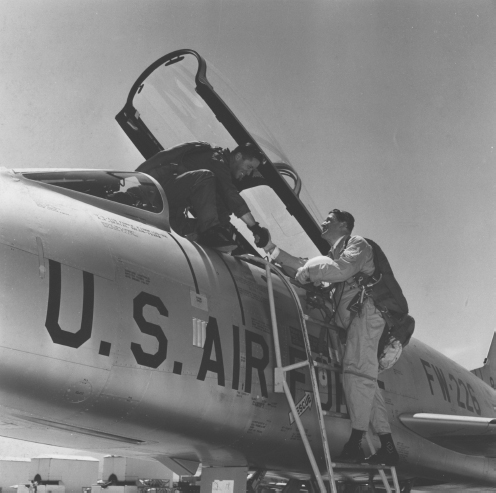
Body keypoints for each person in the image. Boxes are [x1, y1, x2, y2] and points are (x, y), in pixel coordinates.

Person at [263, 209, 399, 466]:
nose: (323, 223)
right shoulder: (332, 256)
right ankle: (388, 447)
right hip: (354, 323)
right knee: (366, 383)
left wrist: (309, 271)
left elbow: (338, 271)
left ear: (344, 225)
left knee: (357, 374)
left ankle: (355, 443)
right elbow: (307, 266)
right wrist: (271, 248)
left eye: (329, 220)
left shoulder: (357, 245)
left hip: (367, 315)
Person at [138, 142, 270, 251]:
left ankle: (205, 238)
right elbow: (231, 195)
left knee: (221, 221)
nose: (248, 173)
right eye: (249, 167)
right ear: (238, 156)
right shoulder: (215, 159)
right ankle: (209, 234)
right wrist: (255, 228)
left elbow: (222, 204)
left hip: (169, 208)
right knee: (205, 177)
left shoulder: (217, 175)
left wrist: (225, 228)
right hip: (157, 191)